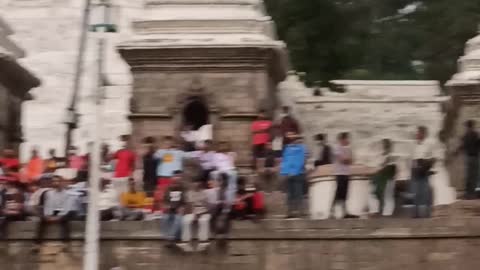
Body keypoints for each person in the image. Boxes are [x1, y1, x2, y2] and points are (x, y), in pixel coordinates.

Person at [34, 175, 77, 251]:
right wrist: (48, 216)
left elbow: (67, 207)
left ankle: (65, 243)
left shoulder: (67, 194)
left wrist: (59, 217)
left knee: (66, 220)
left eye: (58, 181)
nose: (56, 183)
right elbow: (48, 205)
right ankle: (37, 244)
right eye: (54, 181)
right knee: (42, 221)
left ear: (62, 182)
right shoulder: (48, 193)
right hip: (52, 211)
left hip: (63, 212)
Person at [411, 126, 436, 218]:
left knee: (426, 192)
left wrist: (427, 167)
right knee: (416, 192)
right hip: (415, 169)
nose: (416, 134)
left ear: (423, 134)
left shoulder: (429, 144)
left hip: (424, 169)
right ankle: (416, 213)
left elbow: (433, 158)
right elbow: (413, 159)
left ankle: (428, 213)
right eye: (417, 132)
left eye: (418, 132)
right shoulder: (414, 145)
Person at [280, 132, 307, 218]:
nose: (293, 141)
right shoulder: (287, 148)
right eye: (292, 140)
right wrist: (284, 172)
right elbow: (285, 161)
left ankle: (300, 211)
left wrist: (294, 172)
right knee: (290, 194)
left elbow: (301, 161)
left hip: (298, 173)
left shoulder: (301, 148)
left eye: (295, 139)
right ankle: (290, 212)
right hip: (289, 174)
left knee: (298, 192)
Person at [179, 181, 211, 252]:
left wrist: (200, 213)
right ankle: (185, 242)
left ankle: (203, 242)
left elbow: (207, 206)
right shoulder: (189, 193)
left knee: (203, 221)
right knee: (185, 220)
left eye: (197, 182)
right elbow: (190, 205)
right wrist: (194, 214)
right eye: (194, 183)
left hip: (204, 212)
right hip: (192, 212)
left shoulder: (204, 192)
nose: (196, 184)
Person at [331, 132, 357, 219]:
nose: (348, 140)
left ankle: (344, 212)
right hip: (339, 173)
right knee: (339, 193)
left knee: (344, 194)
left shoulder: (348, 149)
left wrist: (347, 159)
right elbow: (342, 160)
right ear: (342, 139)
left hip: (346, 173)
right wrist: (347, 160)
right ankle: (332, 211)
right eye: (346, 138)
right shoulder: (337, 148)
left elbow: (352, 160)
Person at [369, 139, 397, 216]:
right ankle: (375, 211)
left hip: (388, 178)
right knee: (375, 193)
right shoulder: (380, 156)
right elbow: (377, 167)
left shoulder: (391, 157)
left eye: (385, 145)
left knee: (388, 196)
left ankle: (387, 213)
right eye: (383, 145)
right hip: (380, 177)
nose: (384, 147)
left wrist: (381, 169)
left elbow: (390, 167)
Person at [162, 171, 187, 248]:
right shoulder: (168, 188)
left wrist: (182, 208)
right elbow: (165, 201)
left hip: (179, 210)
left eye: (178, 176)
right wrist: (166, 206)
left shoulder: (184, 188)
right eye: (175, 176)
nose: (177, 178)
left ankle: (170, 238)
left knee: (178, 219)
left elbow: (186, 201)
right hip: (170, 210)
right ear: (172, 178)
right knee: (165, 218)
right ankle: (167, 237)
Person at [457, 120, 480, 199]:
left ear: (467, 126)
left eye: (466, 126)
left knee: (470, 176)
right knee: (474, 176)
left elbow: (462, 146)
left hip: (469, 158)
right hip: (474, 158)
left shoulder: (466, 135)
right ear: (472, 126)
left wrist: (456, 152)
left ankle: (469, 194)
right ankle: (472, 194)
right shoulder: (475, 134)